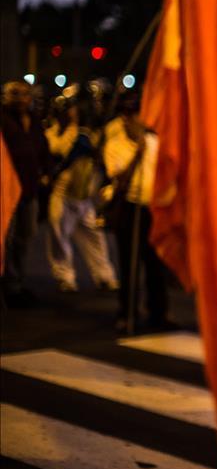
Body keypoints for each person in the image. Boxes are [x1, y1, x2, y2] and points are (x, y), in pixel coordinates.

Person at [103, 93, 170, 332]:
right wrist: (136, 156)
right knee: (129, 264)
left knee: (155, 265)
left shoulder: (154, 142)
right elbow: (119, 180)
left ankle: (158, 314)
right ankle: (127, 313)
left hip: (152, 208)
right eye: (134, 116)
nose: (139, 121)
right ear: (125, 118)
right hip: (130, 209)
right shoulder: (114, 145)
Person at [44, 94, 118, 293]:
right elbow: (58, 150)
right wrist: (76, 134)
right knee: (59, 238)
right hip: (63, 193)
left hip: (85, 197)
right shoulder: (54, 133)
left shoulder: (88, 133)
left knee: (95, 239)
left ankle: (104, 276)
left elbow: (99, 154)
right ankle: (65, 277)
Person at [1, 80, 52, 303]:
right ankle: (8, 286)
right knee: (7, 238)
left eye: (24, 94)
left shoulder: (34, 120)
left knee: (25, 236)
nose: (20, 98)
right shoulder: (3, 120)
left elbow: (43, 148)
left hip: (30, 189)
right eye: (14, 93)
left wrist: (47, 171)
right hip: (6, 191)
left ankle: (17, 283)